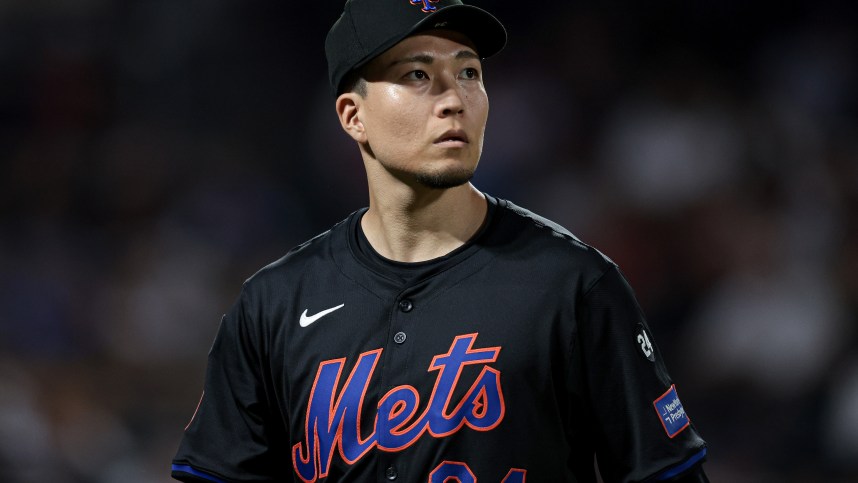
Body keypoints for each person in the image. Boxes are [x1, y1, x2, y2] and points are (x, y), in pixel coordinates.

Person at [170, 0, 709, 481]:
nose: (455, 100)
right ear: (353, 116)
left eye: (469, 73)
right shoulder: (275, 305)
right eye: (418, 75)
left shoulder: (572, 286)